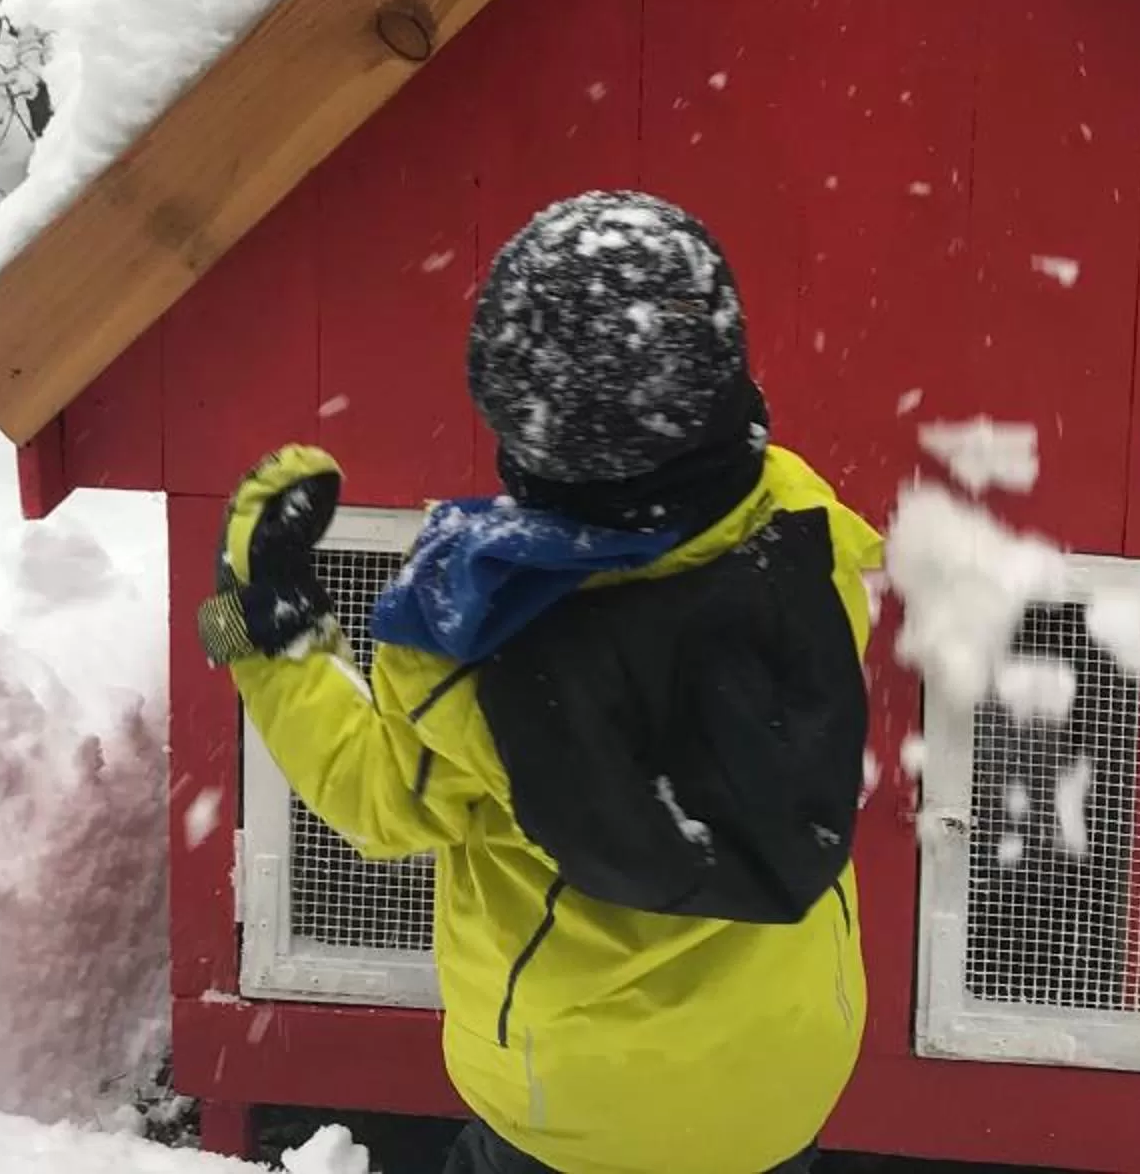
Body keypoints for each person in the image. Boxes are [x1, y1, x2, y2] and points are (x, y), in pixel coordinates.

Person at [199, 191, 884, 1174]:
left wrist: (251, 622)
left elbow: (378, 805)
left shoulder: (461, 644)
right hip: (785, 1076)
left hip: (567, 1110)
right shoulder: (810, 538)